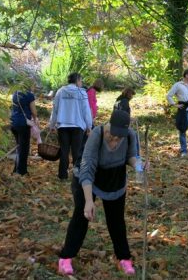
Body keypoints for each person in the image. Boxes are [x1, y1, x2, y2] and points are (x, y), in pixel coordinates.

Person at [58, 109, 138, 276]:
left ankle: (124, 257)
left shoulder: (130, 135)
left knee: (116, 220)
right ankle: (66, 257)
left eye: (119, 136)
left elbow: (131, 157)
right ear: (109, 125)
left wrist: (139, 165)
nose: (115, 139)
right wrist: (88, 201)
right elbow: (87, 168)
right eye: (113, 134)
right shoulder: (97, 134)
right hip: (88, 177)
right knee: (82, 215)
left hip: (114, 178)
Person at [50, 72, 93, 180]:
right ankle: (76, 175)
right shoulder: (82, 93)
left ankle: (62, 175)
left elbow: (55, 109)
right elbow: (86, 111)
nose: (81, 82)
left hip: (62, 126)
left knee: (64, 151)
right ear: (77, 80)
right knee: (77, 152)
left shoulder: (60, 91)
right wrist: (89, 126)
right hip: (77, 126)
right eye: (81, 80)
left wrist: (52, 124)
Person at [167, 69, 188, 157]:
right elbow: (169, 95)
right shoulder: (178, 85)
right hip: (183, 110)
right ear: (186, 75)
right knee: (182, 131)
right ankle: (184, 151)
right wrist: (175, 105)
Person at [10, 79, 39, 176]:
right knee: (24, 149)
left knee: (19, 147)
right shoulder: (29, 95)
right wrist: (35, 119)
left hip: (13, 123)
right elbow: (34, 111)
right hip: (23, 124)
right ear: (30, 85)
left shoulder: (15, 93)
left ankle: (15, 169)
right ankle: (21, 172)